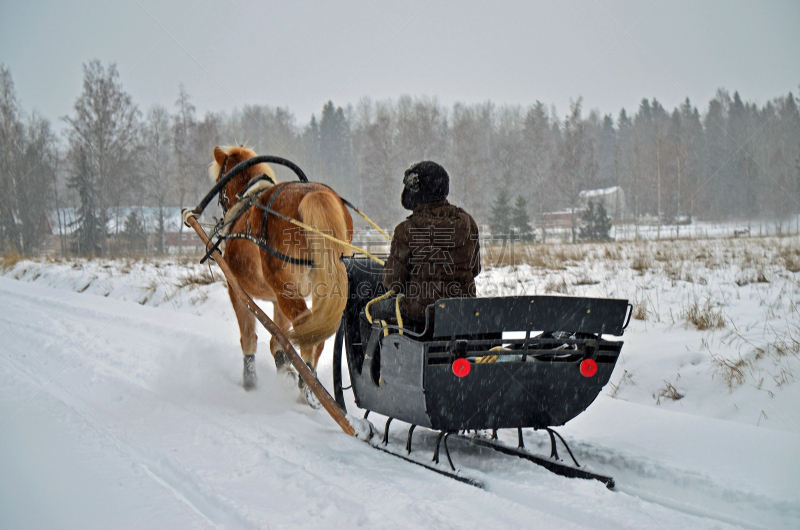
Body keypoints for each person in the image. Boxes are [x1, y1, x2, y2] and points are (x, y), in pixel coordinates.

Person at [368, 161, 481, 326]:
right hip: (462, 314)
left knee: (368, 314)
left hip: (420, 318)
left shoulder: (405, 230)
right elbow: (475, 269)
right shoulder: (468, 222)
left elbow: (394, 283)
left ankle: (368, 353)